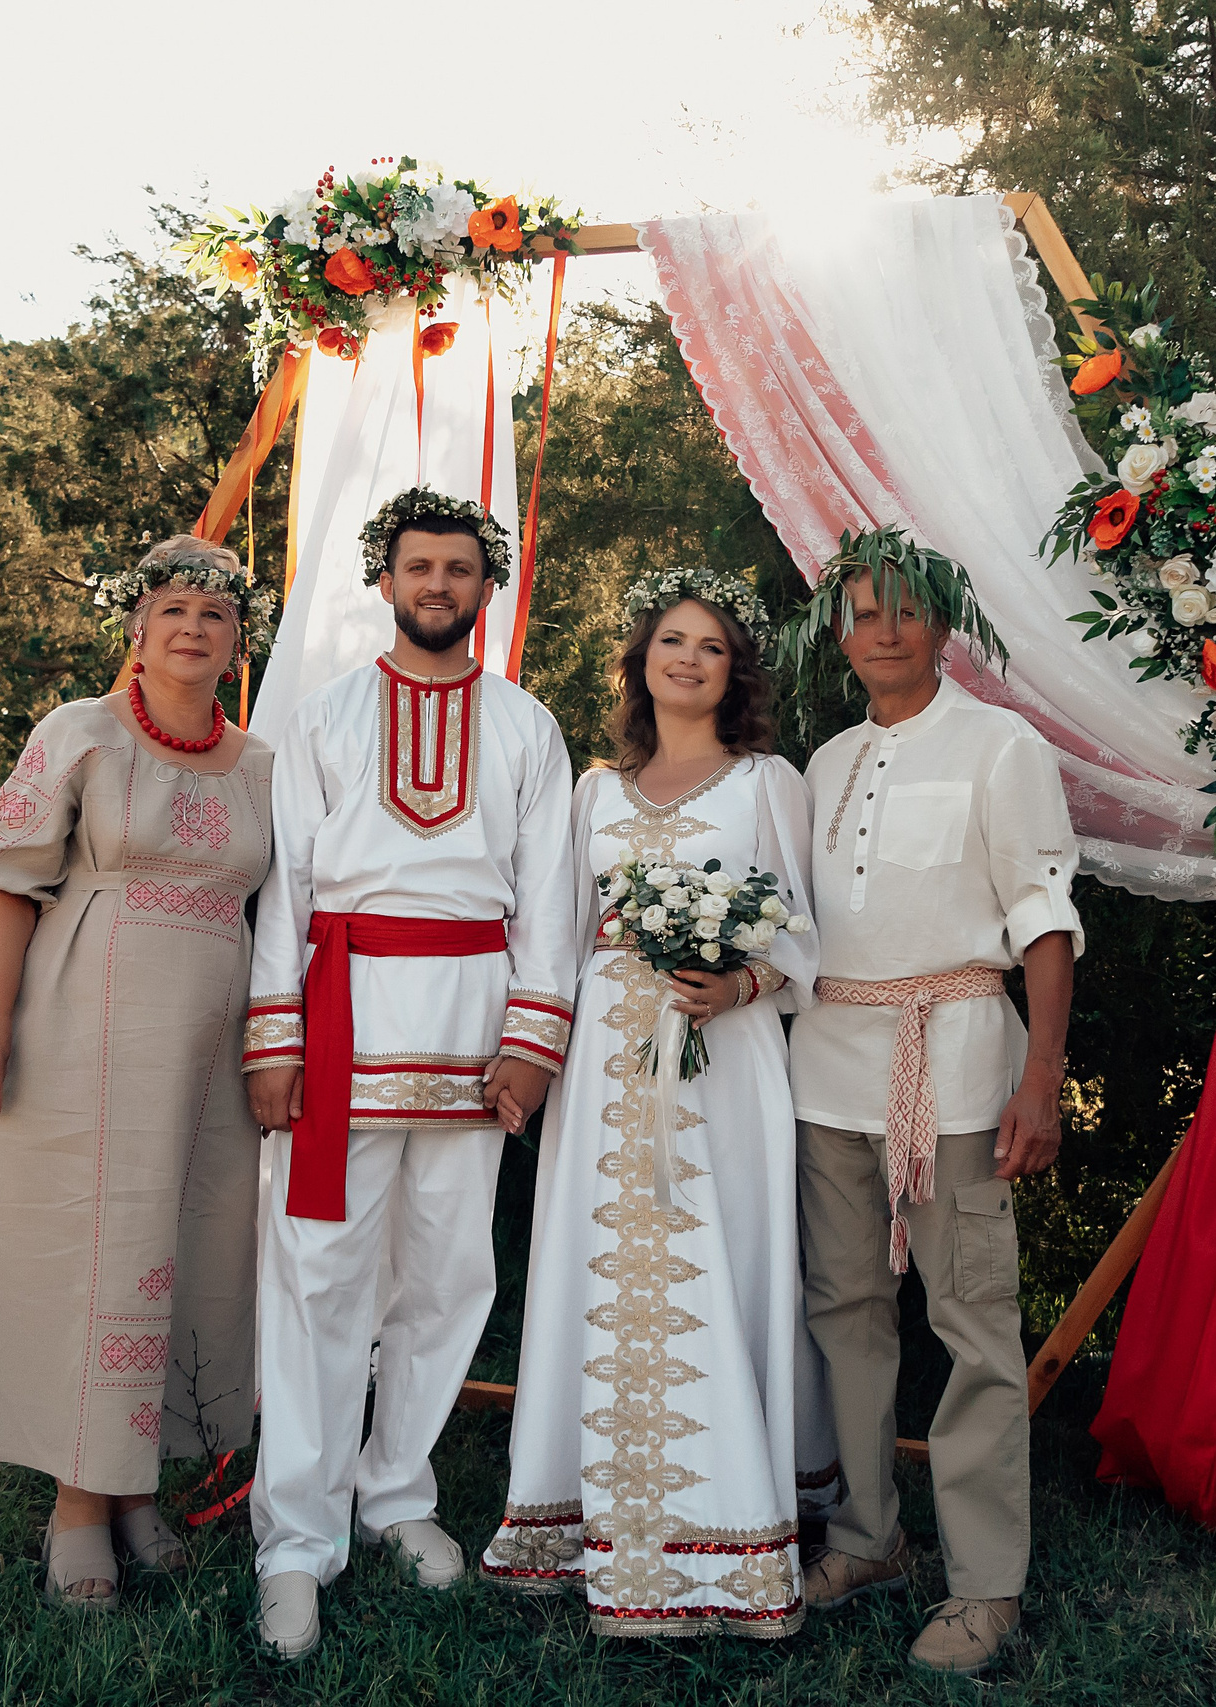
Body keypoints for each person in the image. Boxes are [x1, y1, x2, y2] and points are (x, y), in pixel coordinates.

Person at [240, 487, 580, 1661]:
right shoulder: (325, 717)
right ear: (383, 580)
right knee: (318, 1275)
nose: (438, 584)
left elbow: (549, 900)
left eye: (459, 568)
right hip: (340, 1027)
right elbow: (285, 890)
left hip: (473, 1033)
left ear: (487, 587)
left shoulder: (527, 727)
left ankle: (396, 1494)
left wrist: (530, 1044)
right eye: (419, 566)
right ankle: (296, 1539)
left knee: (446, 1276)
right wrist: (274, 1041)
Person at [477, 567, 839, 1639]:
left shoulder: (768, 782)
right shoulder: (594, 793)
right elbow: (554, 930)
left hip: (724, 1056)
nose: (689, 659)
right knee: (596, 1257)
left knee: (720, 1249)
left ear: (737, 672)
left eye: (711, 646)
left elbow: (807, 934)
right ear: (641, 661)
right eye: (672, 641)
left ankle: (728, 1524)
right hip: (606, 1058)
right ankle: (580, 1511)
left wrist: (739, 985)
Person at [0, 536, 278, 1606]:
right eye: (173, 610)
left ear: (238, 642)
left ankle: (133, 1487)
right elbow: (3, 877)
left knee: (184, 1242)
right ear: (136, 627)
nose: (193, 629)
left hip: (207, 1052)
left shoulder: (262, 765)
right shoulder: (80, 731)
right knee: (97, 1245)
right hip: (86, 1028)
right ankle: (76, 1503)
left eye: (215, 615)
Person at [781, 538, 1081, 1676]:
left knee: (971, 1323)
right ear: (841, 635)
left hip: (954, 1070)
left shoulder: (1003, 747)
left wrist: (1039, 1079)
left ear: (944, 625)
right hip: (829, 1072)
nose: (887, 631)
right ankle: (867, 1538)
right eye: (865, 614)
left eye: (907, 612)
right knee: (844, 1308)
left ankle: (986, 1582)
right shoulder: (825, 763)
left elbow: (1043, 917)